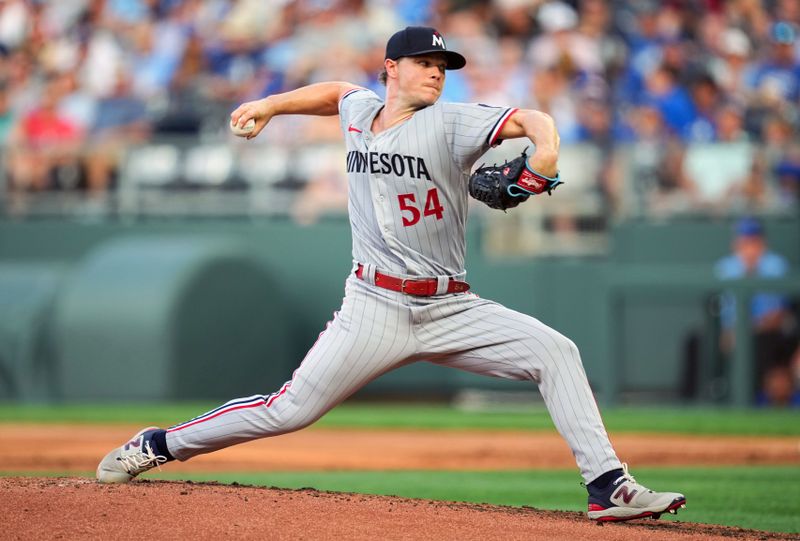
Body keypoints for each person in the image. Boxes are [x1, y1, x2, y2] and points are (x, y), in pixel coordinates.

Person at [96, 26, 686, 522]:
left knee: (556, 352)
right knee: (288, 410)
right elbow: (336, 93)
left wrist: (546, 155)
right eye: (424, 62)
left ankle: (608, 486)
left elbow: (534, 119)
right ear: (391, 69)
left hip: (452, 307)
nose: (435, 73)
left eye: (442, 65)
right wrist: (270, 105)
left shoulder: (450, 122)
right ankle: (159, 444)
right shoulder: (360, 110)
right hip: (373, 307)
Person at [715, 217, 798, 406]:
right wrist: (729, 333)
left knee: (762, 344)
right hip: (734, 332)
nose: (749, 245)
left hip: (767, 333)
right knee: (697, 341)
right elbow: (725, 312)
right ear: (736, 242)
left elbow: (777, 315)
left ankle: (757, 400)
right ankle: (708, 399)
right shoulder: (726, 267)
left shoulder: (776, 265)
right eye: (744, 240)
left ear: (762, 242)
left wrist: (744, 332)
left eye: (753, 240)